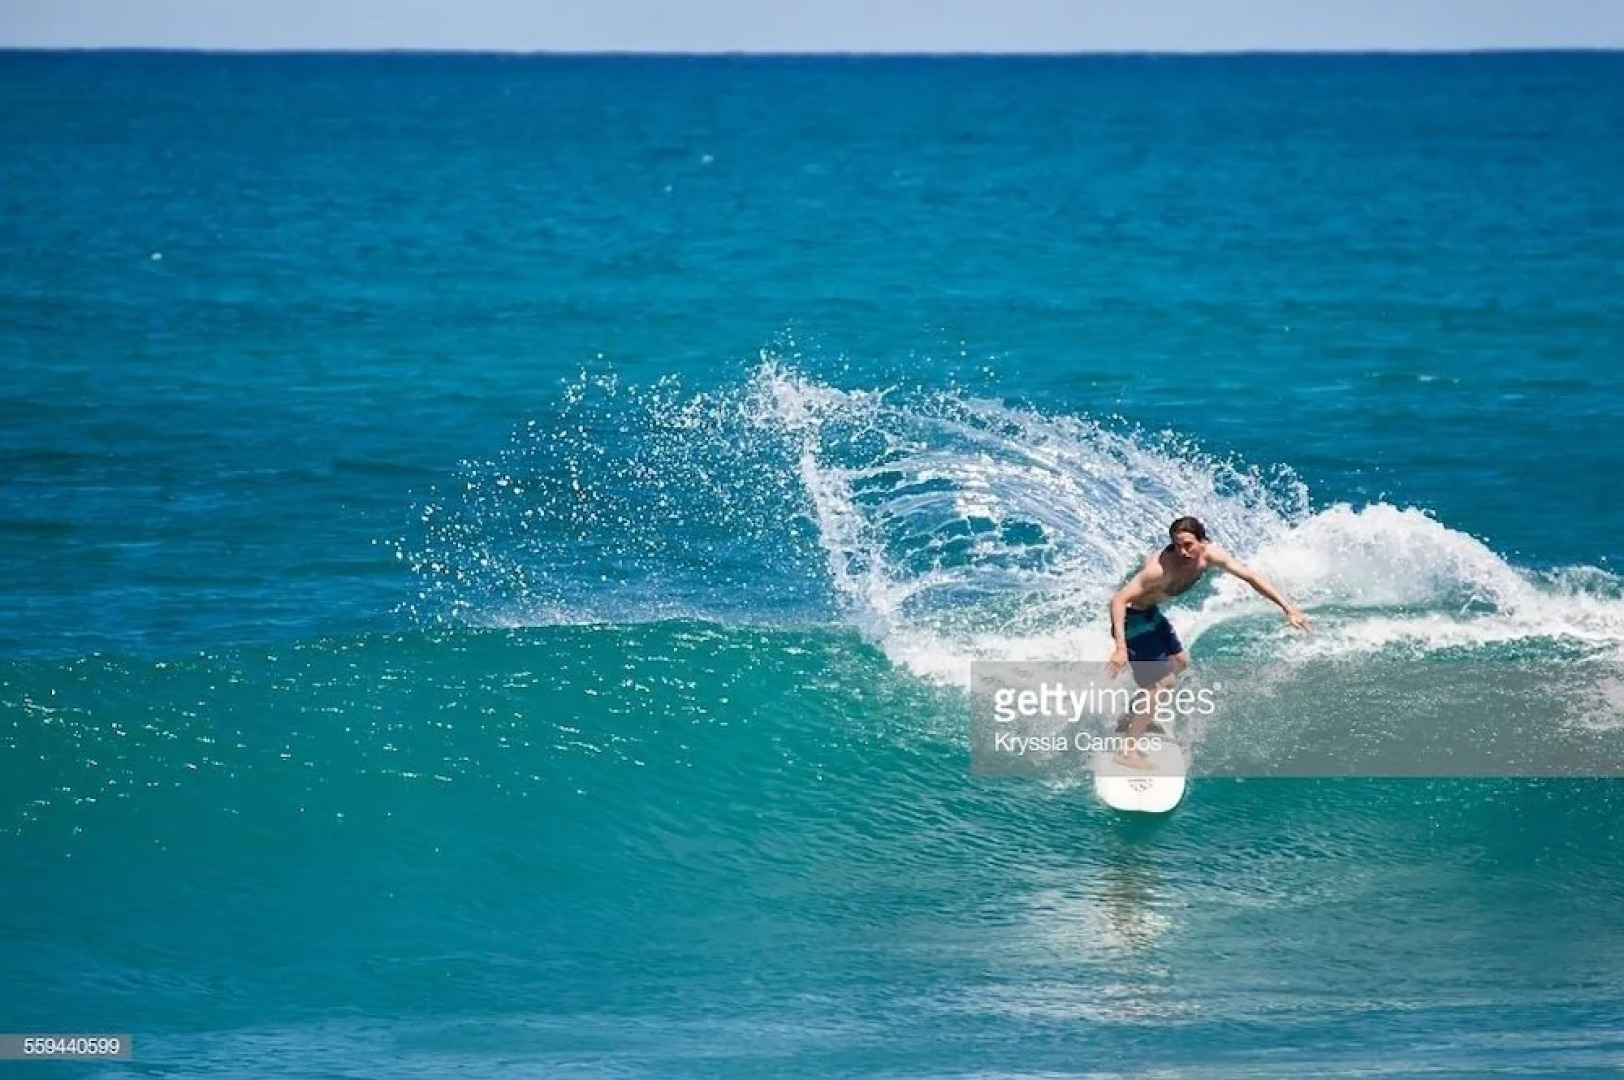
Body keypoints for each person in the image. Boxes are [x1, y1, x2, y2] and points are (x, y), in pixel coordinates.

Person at [1105, 515, 1311, 769]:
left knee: (1180, 662)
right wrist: (1120, 649)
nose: (1182, 551)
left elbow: (1250, 576)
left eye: (1189, 544)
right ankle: (1127, 751)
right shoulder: (1159, 569)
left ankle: (1134, 712)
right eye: (1177, 545)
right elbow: (1118, 600)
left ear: (1202, 541)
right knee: (1161, 685)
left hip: (1152, 613)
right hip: (1132, 619)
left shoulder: (1210, 555)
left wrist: (1288, 609)